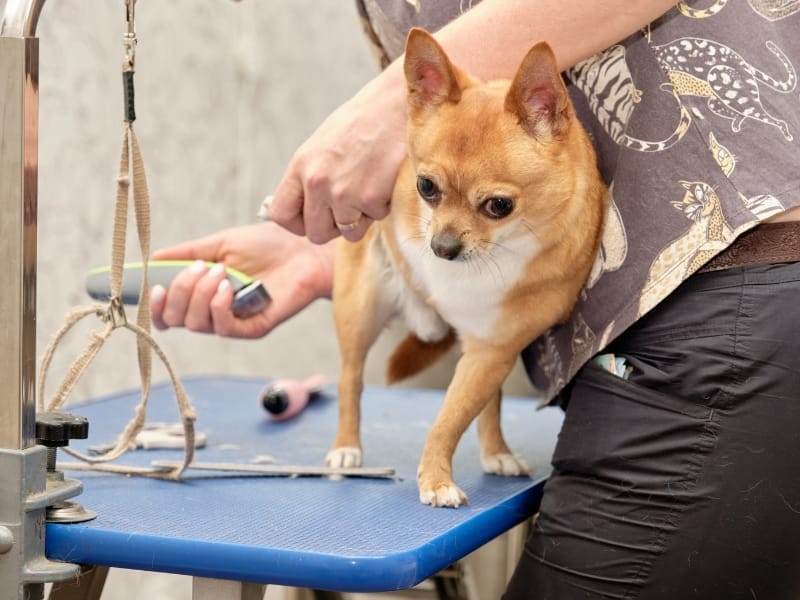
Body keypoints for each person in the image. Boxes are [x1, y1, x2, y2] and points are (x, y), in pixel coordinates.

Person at [150, 1, 800, 597]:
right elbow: (467, 180)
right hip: (681, 314)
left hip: (728, 292)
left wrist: (380, 108)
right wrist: (325, 252)